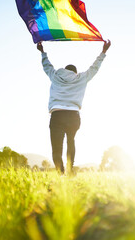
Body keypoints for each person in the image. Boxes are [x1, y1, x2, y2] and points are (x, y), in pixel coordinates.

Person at [37, 40, 111, 175]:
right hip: (73, 115)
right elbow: (94, 68)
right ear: (75, 72)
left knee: (56, 147)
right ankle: (70, 170)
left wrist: (42, 52)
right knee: (71, 141)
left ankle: (61, 173)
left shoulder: (55, 76)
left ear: (64, 70)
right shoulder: (80, 78)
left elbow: (47, 66)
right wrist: (103, 52)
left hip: (57, 114)